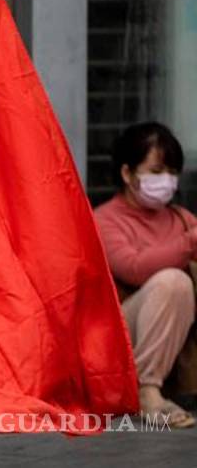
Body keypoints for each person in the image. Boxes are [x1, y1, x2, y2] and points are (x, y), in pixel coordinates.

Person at [95, 122, 197, 428]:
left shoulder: (180, 219)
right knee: (173, 282)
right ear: (127, 174)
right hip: (115, 336)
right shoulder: (105, 220)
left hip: (170, 338)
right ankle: (145, 389)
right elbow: (134, 268)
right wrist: (189, 243)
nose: (166, 180)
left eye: (172, 172)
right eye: (156, 171)